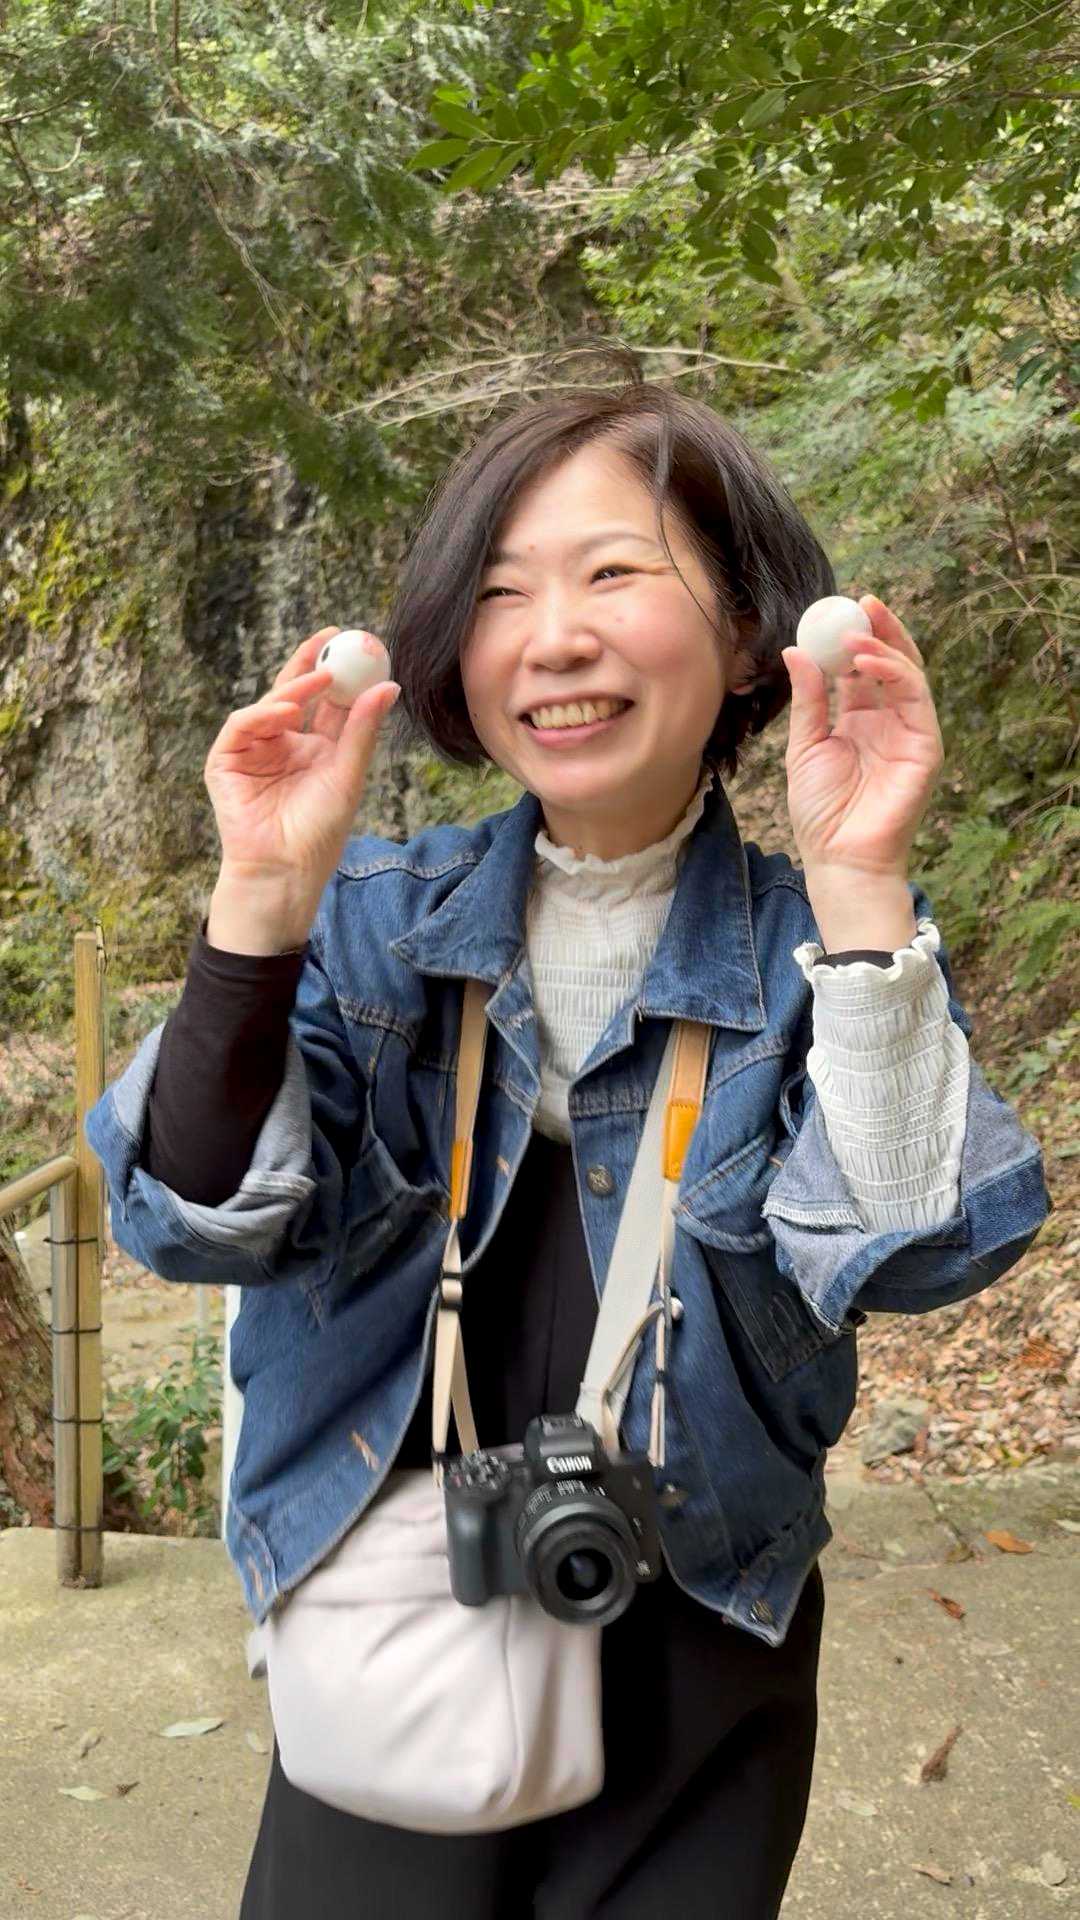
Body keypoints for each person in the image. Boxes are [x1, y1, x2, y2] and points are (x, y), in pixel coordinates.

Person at [85, 367, 1051, 1919]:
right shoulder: (371, 922)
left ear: (745, 630)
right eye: (500, 590)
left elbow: (913, 1248)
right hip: (401, 1604)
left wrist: (864, 882)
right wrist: (259, 901)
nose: (553, 636)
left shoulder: (819, 954)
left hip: (700, 1630)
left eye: (613, 573)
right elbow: (195, 1216)